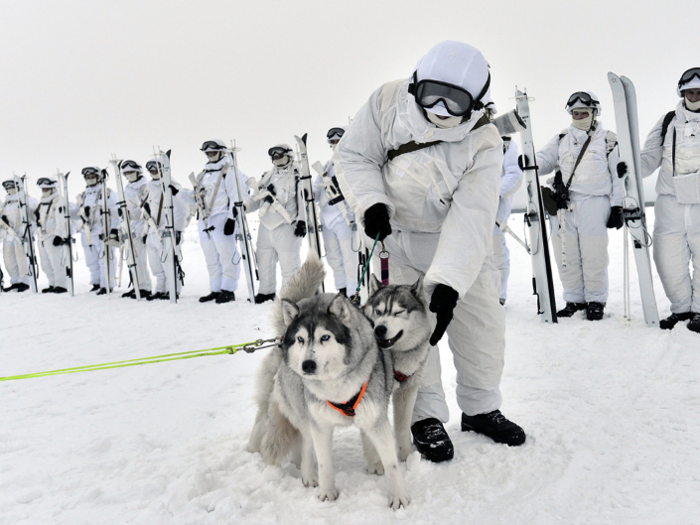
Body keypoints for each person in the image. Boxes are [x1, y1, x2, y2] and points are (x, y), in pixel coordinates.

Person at [335, 40, 526, 463]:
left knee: (481, 329)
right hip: (396, 241)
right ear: (415, 85)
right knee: (408, 337)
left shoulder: (485, 141)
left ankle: (480, 408)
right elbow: (353, 154)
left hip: (459, 244)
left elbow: (473, 214)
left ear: (476, 103)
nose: (440, 108)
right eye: (432, 94)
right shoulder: (386, 101)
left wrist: (447, 284)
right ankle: (424, 417)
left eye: (455, 101)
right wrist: (371, 203)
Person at [536, 91, 624, 321]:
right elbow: (544, 160)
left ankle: (595, 300)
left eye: (584, 112)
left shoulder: (608, 140)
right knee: (566, 254)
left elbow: (619, 176)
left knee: (593, 254)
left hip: (595, 203)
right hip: (564, 206)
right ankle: (574, 299)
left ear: (594, 113)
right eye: (575, 113)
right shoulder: (561, 139)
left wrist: (617, 206)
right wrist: (529, 161)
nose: (579, 116)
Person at [640, 67, 700, 333]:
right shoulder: (667, 122)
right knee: (667, 258)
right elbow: (649, 158)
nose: (695, 96)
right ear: (682, 92)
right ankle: (681, 308)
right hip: (670, 202)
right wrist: (627, 165)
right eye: (690, 92)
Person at [246, 143, 305, 304]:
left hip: (286, 226)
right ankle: (266, 291)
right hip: (266, 225)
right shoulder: (267, 176)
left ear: (288, 155)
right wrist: (243, 207)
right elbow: (256, 199)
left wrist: (302, 220)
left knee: (289, 263)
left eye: (280, 154)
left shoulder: (298, 175)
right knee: (264, 260)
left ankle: (290, 296)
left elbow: (304, 200)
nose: (276, 158)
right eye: (274, 156)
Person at [192, 139, 249, 304]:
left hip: (223, 217)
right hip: (205, 219)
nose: (210, 154)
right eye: (207, 152)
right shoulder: (202, 174)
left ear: (222, 152)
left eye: (213, 151)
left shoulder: (229, 172)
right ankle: (215, 289)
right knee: (211, 256)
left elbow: (235, 196)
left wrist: (232, 219)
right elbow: (195, 197)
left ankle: (228, 289)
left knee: (227, 254)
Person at [313, 127, 358, 296]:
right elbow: (316, 193)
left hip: (346, 219)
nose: (335, 144)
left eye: (338, 141)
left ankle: (354, 293)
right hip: (326, 220)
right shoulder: (327, 166)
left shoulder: (353, 162)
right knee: (333, 258)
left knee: (349, 258)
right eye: (332, 142)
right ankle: (343, 289)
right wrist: (307, 193)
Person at [142, 159, 191, 301]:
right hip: (152, 231)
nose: (153, 170)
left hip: (167, 230)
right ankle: (160, 289)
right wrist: (145, 232)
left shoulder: (172, 186)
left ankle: (173, 290)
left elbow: (182, 209)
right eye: (150, 168)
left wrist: (178, 230)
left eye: (156, 167)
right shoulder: (149, 187)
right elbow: (148, 214)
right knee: (155, 265)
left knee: (169, 262)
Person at [492, 122, 523, 305]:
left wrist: (493, 194)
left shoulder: (506, 145)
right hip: (469, 204)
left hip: (496, 205)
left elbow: (514, 174)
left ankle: (498, 295)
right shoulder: (465, 139)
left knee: (496, 250)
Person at [76, 166, 120, 295]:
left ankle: (107, 284)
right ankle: (96, 282)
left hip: (103, 232)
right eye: (87, 177)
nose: (90, 179)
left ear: (99, 177)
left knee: (106, 259)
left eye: (92, 177)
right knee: (91, 260)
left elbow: (116, 213)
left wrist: (114, 230)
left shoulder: (108, 193)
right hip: (87, 232)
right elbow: (78, 213)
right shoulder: (83, 195)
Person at [118, 160, 152, 299]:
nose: (128, 175)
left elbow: (145, 210)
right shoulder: (127, 188)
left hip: (141, 226)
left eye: (131, 172)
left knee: (139, 259)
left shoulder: (145, 186)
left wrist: (131, 215)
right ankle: (136, 285)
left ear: (138, 172)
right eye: (126, 173)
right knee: (131, 259)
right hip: (129, 226)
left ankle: (145, 287)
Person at [35, 177, 71, 293]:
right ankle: (52, 283)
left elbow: (61, 220)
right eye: (43, 189)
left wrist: (59, 235)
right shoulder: (42, 203)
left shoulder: (58, 201)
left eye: (47, 188)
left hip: (53, 236)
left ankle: (61, 285)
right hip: (43, 236)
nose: (45, 190)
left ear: (53, 188)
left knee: (56, 262)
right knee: (45, 263)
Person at [1, 179, 36, 292]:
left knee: (22, 258)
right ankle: (15, 281)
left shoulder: (26, 199)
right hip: (8, 235)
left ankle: (24, 281)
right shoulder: (6, 203)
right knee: (9, 259)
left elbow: (35, 215)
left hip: (21, 234)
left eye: (12, 186)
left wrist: (29, 231)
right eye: (7, 187)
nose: (9, 189)